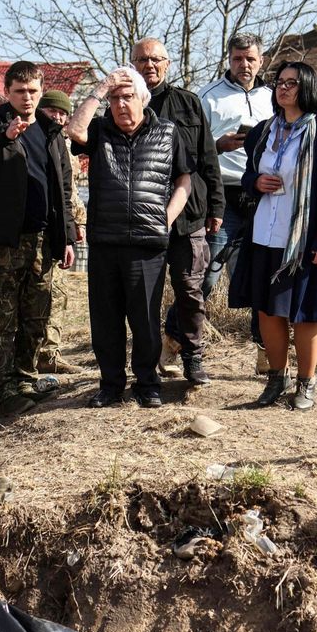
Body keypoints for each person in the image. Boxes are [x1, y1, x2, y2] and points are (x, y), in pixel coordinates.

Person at [67, 67, 193, 409]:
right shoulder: (99, 131)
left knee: (145, 321)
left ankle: (147, 384)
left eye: (127, 96)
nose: (121, 104)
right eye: (114, 98)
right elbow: (73, 130)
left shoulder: (168, 132)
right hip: (106, 241)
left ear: (143, 99)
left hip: (147, 244)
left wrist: (166, 218)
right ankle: (110, 385)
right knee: (106, 320)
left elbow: (184, 180)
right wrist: (100, 88)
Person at [230, 62, 317, 412]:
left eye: (292, 83)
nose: (283, 89)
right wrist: (255, 182)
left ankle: (306, 383)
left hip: (305, 239)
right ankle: (276, 379)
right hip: (266, 232)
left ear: (307, 87)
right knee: (268, 310)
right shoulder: (264, 131)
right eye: (279, 83)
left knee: (307, 313)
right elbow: (248, 176)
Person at [0, 61, 77, 417]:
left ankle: (26, 379)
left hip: (44, 241)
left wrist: (68, 237)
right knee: (3, 315)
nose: (27, 98)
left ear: (40, 90)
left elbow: (62, 187)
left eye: (33, 91)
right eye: (20, 92)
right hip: (5, 242)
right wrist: (8, 134)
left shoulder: (50, 129)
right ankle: (3, 388)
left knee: (37, 315)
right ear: (8, 92)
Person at [130, 37, 224, 386]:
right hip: (142, 218)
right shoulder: (125, 104)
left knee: (190, 291)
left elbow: (208, 157)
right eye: (141, 60)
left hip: (189, 218)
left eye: (155, 59)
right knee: (144, 298)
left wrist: (217, 205)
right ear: (133, 64)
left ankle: (193, 357)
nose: (149, 65)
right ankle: (147, 363)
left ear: (167, 64)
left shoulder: (188, 103)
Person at [198, 33, 274, 373]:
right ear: (228, 59)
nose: (244, 65)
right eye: (238, 59)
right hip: (223, 197)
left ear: (261, 61)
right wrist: (218, 145)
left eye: (250, 59)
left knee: (263, 278)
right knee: (205, 275)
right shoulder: (208, 98)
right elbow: (191, 149)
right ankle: (175, 343)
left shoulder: (275, 98)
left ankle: (265, 353)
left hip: (264, 197)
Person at [35, 89, 87, 375]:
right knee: (46, 293)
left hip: (64, 228)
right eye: (52, 111)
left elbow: (72, 192)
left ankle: (50, 352)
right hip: (44, 228)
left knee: (59, 293)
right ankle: (39, 353)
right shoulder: (38, 140)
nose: (57, 116)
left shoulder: (65, 143)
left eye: (63, 112)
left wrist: (78, 222)